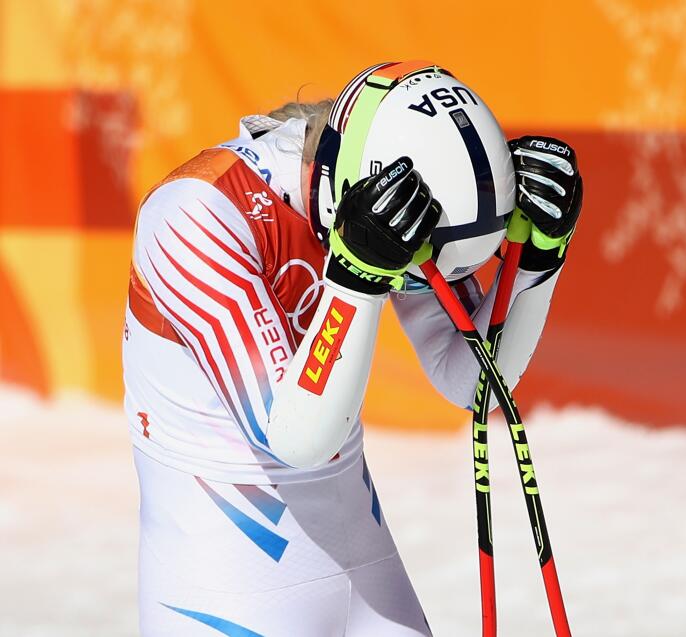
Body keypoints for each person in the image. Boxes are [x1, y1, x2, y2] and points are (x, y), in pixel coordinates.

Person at [123, 60, 583, 636]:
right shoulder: (195, 214)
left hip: (362, 566)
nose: (415, 283)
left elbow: (474, 383)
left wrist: (537, 261)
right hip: (225, 583)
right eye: (414, 272)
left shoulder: (374, 186)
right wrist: (357, 281)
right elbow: (297, 440)